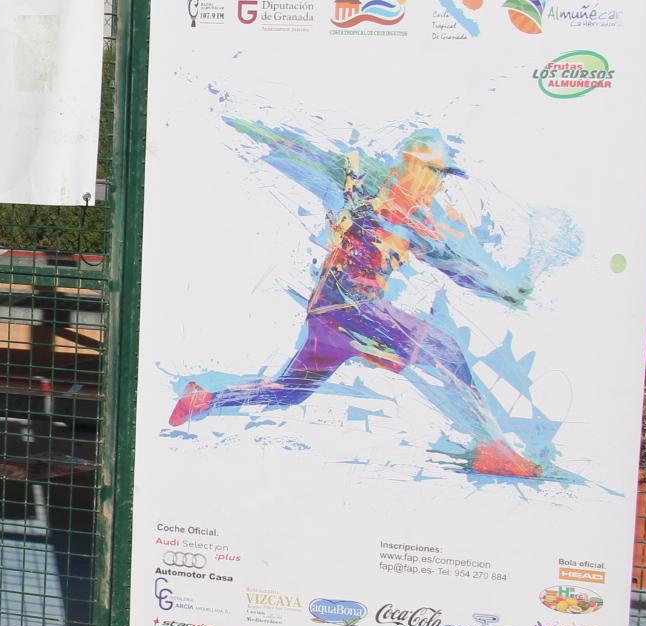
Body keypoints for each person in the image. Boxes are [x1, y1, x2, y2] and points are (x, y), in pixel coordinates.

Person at [168, 121, 574, 477]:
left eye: (442, 177)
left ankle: (202, 400)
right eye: (435, 173)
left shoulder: (403, 212)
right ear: (413, 167)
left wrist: (506, 290)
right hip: (355, 310)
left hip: (328, 315)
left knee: (290, 391)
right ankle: (493, 450)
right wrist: (257, 133)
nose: (439, 184)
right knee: (446, 351)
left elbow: (453, 265)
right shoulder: (380, 197)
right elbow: (315, 161)